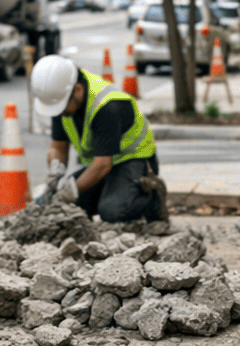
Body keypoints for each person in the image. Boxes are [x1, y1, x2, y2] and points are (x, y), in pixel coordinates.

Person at [30, 54, 167, 223]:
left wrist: (70, 192)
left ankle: (152, 196)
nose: (58, 112)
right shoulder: (62, 101)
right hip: (102, 163)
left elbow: (102, 164)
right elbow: (58, 147)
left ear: (78, 90)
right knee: (71, 206)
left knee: (112, 212)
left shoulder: (107, 107)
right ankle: (112, 191)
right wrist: (54, 171)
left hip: (134, 161)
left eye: (60, 107)